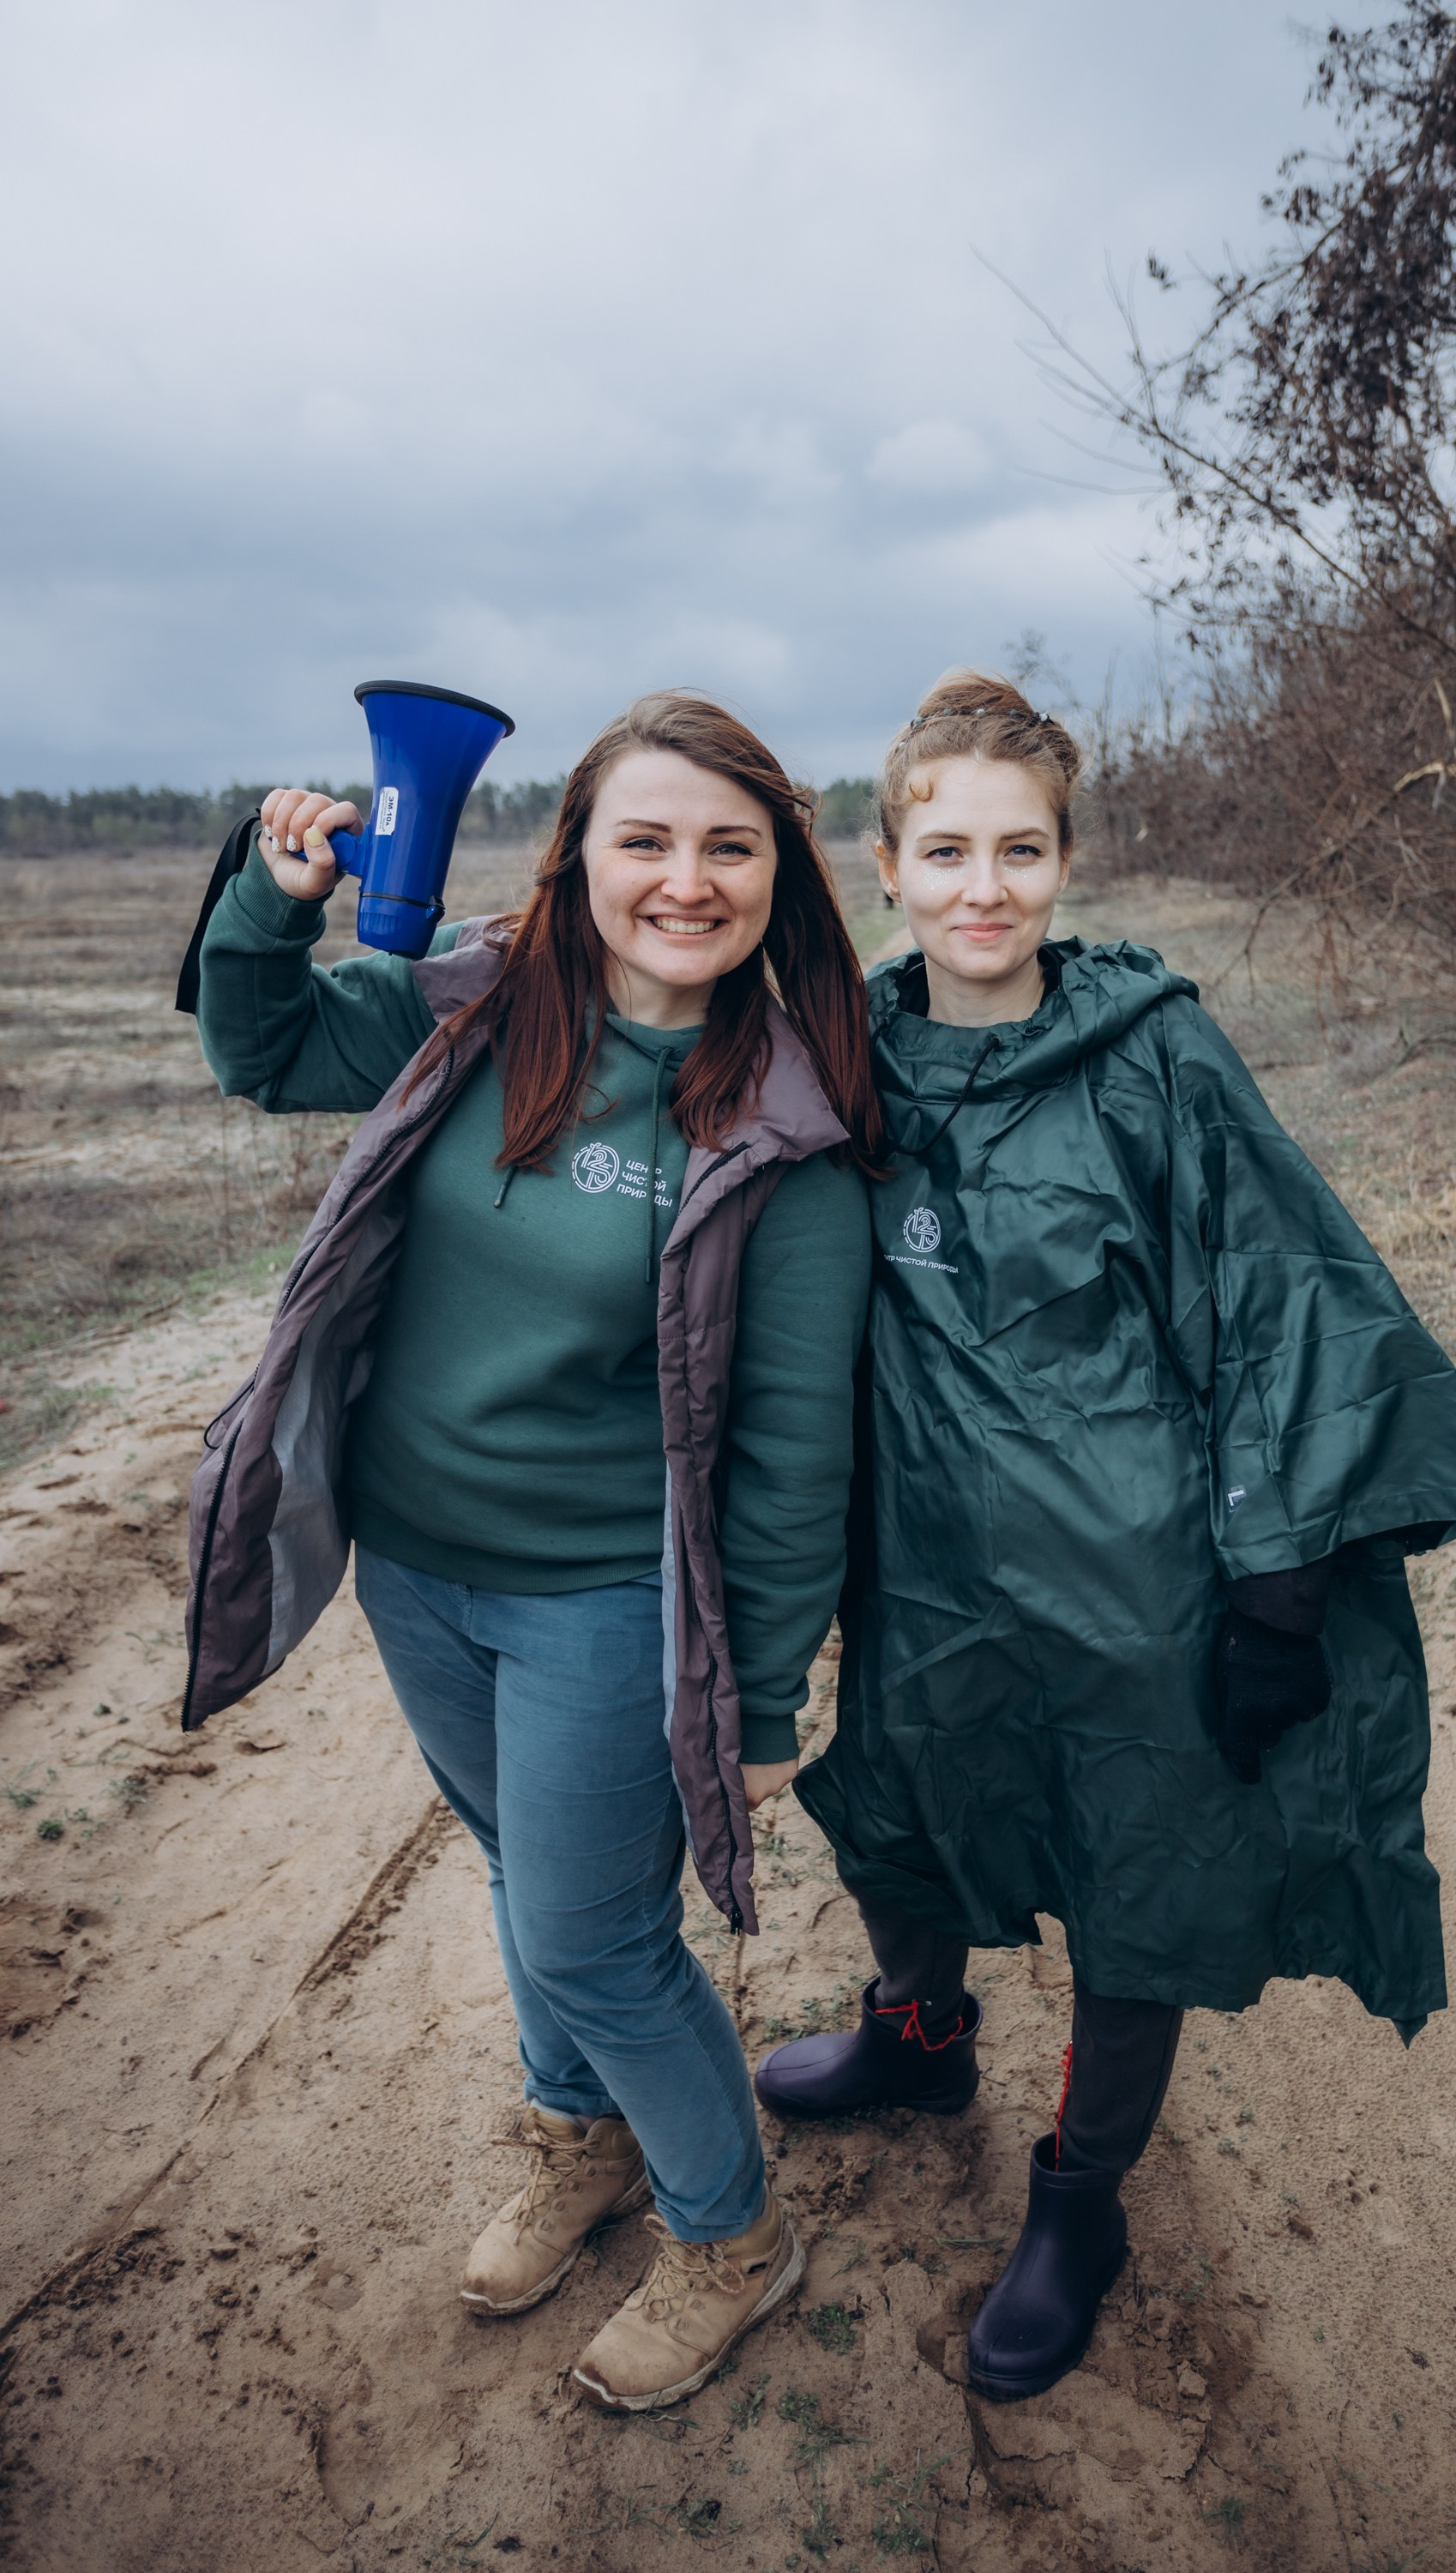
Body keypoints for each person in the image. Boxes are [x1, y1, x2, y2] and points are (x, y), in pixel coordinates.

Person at [757, 672, 1456, 2403]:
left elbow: (1281, 1302)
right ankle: (918, 2032)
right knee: (896, 1799)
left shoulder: (1151, 1052)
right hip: (923, 1568)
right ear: (885, 863)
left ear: (1064, 862)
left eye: (1018, 850)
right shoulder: (837, 1063)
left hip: (1135, 1584)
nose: (982, 887)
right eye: (943, 849)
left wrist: (1275, 1585)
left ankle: (1080, 2202)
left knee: (1137, 1876)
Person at [184, 692, 886, 2413]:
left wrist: (767, 1698)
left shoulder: (787, 1143)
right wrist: (272, 896)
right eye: (643, 838)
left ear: (777, 879)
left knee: (593, 1943)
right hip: (417, 1571)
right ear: (574, 859)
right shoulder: (479, 1018)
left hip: (605, 1601)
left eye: (729, 846)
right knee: (527, 1878)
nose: (684, 877)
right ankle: (581, 2145)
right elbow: (257, 1045)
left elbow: (797, 1460)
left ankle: (726, 2232)